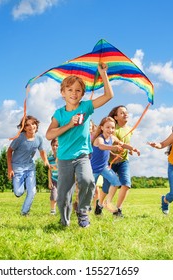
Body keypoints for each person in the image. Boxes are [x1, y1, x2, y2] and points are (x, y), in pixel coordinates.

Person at [46, 62, 114, 228]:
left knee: (87, 180)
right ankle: (64, 219)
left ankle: (83, 211)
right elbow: (49, 135)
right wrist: (69, 124)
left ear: (82, 94)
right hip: (63, 158)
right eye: (69, 90)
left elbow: (108, 96)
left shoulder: (86, 107)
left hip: (83, 155)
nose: (74, 93)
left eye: (77, 90)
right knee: (63, 195)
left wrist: (103, 73)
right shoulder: (59, 114)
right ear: (63, 93)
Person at [91, 116, 138, 216]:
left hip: (104, 168)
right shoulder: (99, 139)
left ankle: (107, 202)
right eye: (108, 127)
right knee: (90, 191)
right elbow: (102, 146)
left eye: (112, 128)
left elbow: (122, 144)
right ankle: (84, 210)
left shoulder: (112, 138)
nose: (110, 130)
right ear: (102, 127)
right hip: (93, 169)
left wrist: (133, 148)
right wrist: (113, 147)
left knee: (116, 182)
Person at [101, 105, 140, 217]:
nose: (125, 114)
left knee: (126, 183)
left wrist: (131, 149)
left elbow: (126, 143)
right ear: (116, 117)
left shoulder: (130, 129)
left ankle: (118, 210)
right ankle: (99, 204)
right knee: (106, 186)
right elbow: (112, 142)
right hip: (110, 161)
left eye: (126, 112)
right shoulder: (112, 128)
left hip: (123, 161)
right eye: (122, 113)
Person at [7, 115, 49, 216]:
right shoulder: (19, 138)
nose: (31, 127)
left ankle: (24, 212)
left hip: (30, 168)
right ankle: (22, 186)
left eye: (33, 124)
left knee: (32, 191)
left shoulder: (39, 138)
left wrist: (46, 161)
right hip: (17, 168)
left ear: (36, 125)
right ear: (24, 128)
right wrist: (10, 168)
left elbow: (42, 151)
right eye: (27, 125)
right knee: (18, 193)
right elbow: (9, 152)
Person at [47, 138, 59, 215]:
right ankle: (53, 211)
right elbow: (49, 170)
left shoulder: (63, 157)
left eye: (57, 145)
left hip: (63, 180)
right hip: (54, 180)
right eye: (53, 145)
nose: (55, 147)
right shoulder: (50, 159)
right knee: (54, 195)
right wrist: (49, 181)